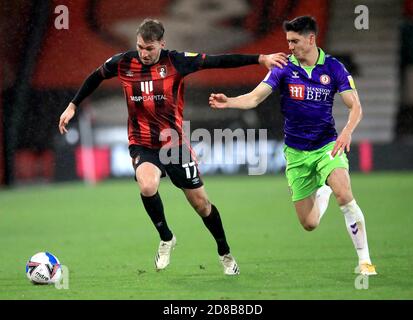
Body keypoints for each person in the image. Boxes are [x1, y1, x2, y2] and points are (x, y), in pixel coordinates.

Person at [58, 18, 287, 276]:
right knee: (147, 185)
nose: (144, 54)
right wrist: (73, 105)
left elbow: (217, 60)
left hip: (174, 144)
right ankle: (166, 237)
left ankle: (225, 252)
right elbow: (94, 77)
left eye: (150, 48)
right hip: (142, 143)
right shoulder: (123, 62)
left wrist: (259, 59)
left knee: (201, 205)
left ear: (162, 44)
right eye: (140, 47)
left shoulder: (177, 61)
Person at [209, 16, 377, 276]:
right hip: (296, 152)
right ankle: (323, 190)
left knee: (344, 193)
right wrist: (229, 101)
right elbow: (255, 98)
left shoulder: (333, 67)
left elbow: (355, 105)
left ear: (311, 39)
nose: (290, 46)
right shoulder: (283, 67)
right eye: (288, 41)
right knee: (309, 223)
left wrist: (346, 132)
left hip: (326, 146)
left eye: (295, 41)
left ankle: (365, 261)